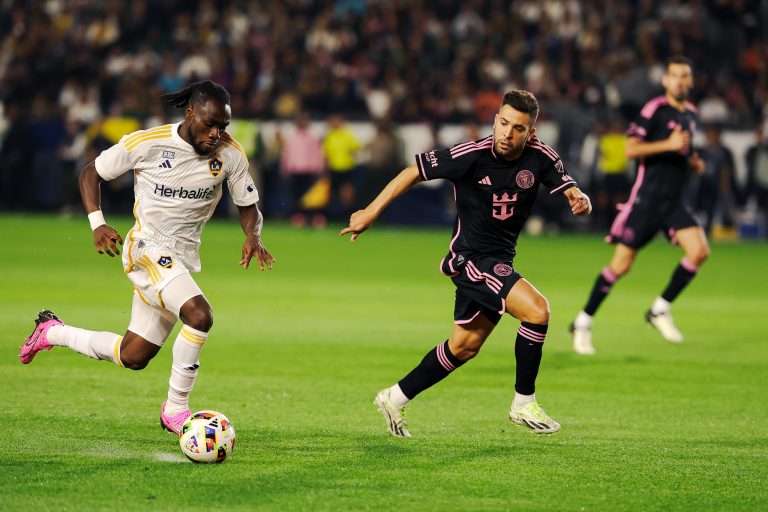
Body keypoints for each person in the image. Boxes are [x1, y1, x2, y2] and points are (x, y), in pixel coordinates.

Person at [18, 80, 275, 435]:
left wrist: (253, 234)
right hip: (147, 248)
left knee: (133, 356)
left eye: (223, 126)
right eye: (210, 124)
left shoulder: (230, 155)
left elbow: (248, 205)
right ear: (190, 114)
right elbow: (91, 172)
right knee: (200, 315)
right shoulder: (148, 143)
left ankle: (53, 332)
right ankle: (176, 410)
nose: (216, 134)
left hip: (181, 258)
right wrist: (98, 223)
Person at [341, 90, 592, 436]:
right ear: (495, 120)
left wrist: (579, 199)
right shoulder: (471, 155)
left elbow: (567, 186)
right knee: (538, 311)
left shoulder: (540, 157)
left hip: (500, 259)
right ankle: (524, 402)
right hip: (471, 259)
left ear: (531, 133)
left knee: (464, 346)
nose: (507, 133)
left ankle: (394, 397)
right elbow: (413, 171)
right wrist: (370, 212)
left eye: (518, 128)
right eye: (503, 123)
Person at [570, 56, 707, 356]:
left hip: (674, 202)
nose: (680, 81)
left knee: (699, 252)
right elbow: (631, 148)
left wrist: (692, 163)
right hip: (646, 201)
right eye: (675, 76)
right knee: (620, 266)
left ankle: (659, 309)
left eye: (685, 76)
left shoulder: (692, 114)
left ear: (691, 81)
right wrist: (667, 146)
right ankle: (582, 322)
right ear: (666, 81)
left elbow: (683, 152)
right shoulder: (654, 109)